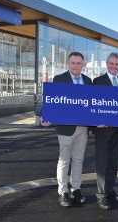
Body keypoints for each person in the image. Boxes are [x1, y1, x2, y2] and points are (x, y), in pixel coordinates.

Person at [41, 52, 92, 207]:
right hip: (65, 128)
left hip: (82, 128)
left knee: (78, 160)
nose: (76, 66)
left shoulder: (88, 81)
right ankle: (63, 191)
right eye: (73, 63)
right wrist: (46, 115)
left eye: (78, 63)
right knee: (64, 160)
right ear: (68, 64)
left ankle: (76, 189)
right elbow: (51, 100)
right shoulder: (59, 79)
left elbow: (93, 103)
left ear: (83, 65)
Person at [92, 52, 118, 210]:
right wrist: (94, 124)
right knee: (102, 163)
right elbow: (92, 104)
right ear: (107, 64)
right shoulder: (97, 81)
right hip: (102, 130)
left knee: (113, 162)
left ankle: (109, 190)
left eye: (117, 64)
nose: (114, 67)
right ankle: (101, 195)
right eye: (111, 64)